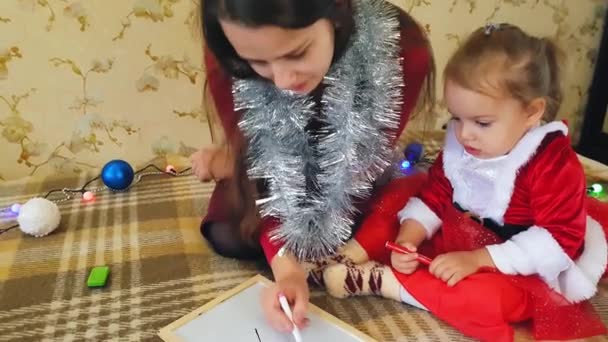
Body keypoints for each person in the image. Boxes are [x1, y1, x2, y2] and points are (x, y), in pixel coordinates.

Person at [318, 23, 608, 341]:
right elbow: (436, 192)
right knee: (402, 192)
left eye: (482, 123)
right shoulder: (462, 146)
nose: (464, 133)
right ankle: (348, 255)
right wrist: (408, 237)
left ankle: (387, 282)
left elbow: (557, 240)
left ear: (531, 112)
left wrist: (478, 260)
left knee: (487, 301)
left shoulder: (552, 163)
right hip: (461, 235)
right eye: (456, 118)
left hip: (520, 264)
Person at [191, 0, 435, 333]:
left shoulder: (400, 47)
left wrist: (229, 163)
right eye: (257, 62)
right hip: (269, 192)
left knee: (396, 221)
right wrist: (287, 269)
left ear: (336, 12)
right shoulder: (230, 51)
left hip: (350, 186)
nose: (281, 80)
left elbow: (348, 172)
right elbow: (264, 173)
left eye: (296, 53)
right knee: (229, 233)